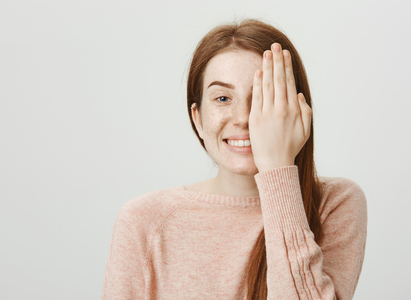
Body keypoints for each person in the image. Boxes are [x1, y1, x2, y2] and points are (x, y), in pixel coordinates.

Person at [101, 18, 367, 300]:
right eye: (223, 99)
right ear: (197, 118)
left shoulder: (336, 202)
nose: (243, 119)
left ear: (296, 112)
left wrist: (278, 168)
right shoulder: (143, 220)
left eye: (264, 99)